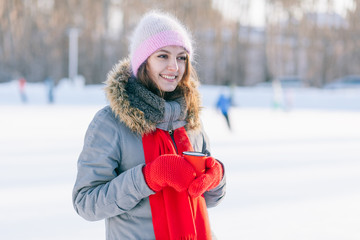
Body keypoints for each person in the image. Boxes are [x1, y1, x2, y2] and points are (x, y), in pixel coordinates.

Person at [72, 11, 226, 240]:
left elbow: (208, 199)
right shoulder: (111, 123)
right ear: (143, 61)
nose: (174, 66)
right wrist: (147, 177)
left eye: (181, 57)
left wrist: (216, 177)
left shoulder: (191, 119)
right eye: (163, 56)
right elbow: (86, 202)